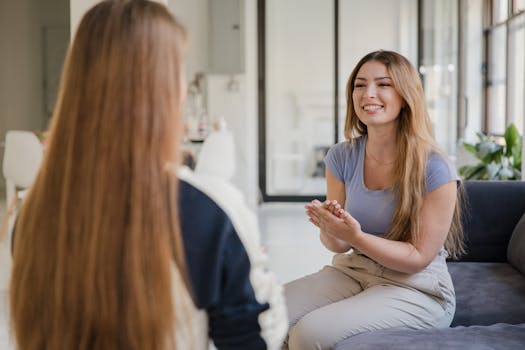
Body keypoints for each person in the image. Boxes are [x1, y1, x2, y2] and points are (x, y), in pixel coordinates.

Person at [9, 1, 286, 349]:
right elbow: (256, 339)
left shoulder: (29, 215)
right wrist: (254, 266)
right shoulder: (207, 211)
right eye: (180, 70)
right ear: (164, 87)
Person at [283, 50, 464, 350]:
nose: (368, 94)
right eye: (359, 84)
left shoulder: (435, 166)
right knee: (265, 315)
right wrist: (332, 228)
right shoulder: (341, 156)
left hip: (417, 287)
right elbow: (338, 246)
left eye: (383, 84)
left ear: (406, 96)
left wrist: (356, 236)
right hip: (354, 270)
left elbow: (418, 258)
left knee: (308, 334)